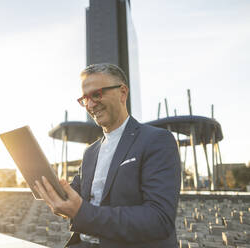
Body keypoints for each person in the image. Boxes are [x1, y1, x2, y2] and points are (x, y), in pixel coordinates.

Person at [34, 63, 181, 248]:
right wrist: (53, 191)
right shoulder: (90, 153)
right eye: (84, 99)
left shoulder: (157, 140)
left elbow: (159, 220)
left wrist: (81, 211)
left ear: (123, 93)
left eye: (96, 94)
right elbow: (74, 196)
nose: (90, 104)